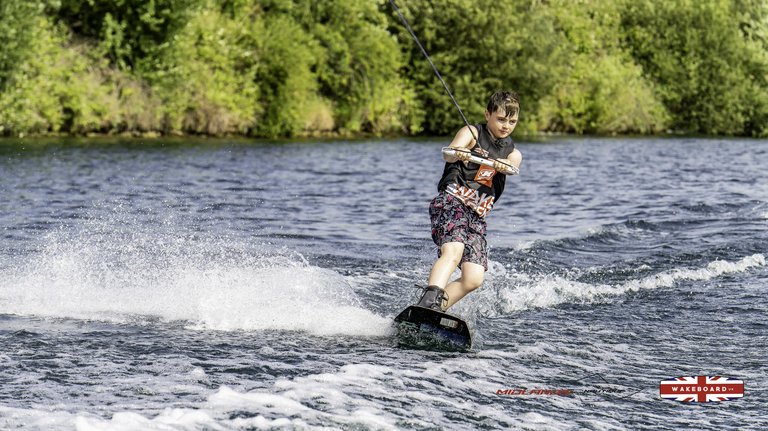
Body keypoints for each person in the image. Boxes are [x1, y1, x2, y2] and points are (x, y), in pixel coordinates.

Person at [416, 90, 522, 311]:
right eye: (501, 119)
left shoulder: (513, 152)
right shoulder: (471, 133)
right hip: (452, 202)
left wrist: (501, 163)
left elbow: (513, 165)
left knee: (473, 278)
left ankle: (436, 311)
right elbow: (449, 153)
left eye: (512, 121)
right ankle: (428, 302)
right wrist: (460, 152)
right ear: (487, 114)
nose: (506, 126)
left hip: (476, 215)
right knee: (453, 251)